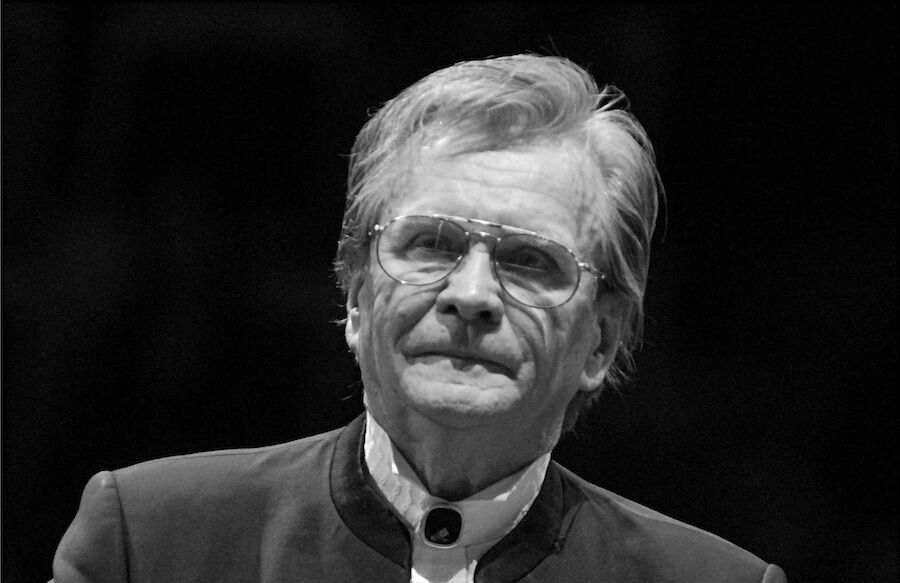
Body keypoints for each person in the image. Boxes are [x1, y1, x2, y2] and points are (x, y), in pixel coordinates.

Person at [51, 54, 787, 582]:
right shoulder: (149, 541)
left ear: (601, 339)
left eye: (530, 261)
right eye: (432, 244)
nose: (472, 293)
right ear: (355, 295)